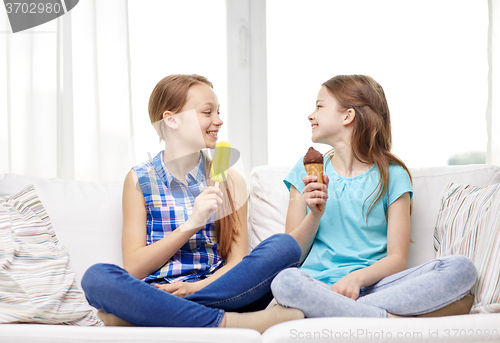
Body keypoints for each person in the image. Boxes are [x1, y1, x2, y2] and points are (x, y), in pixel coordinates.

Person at [81, 74, 303, 332]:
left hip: (219, 290)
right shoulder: (139, 180)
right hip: (159, 291)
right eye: (207, 112)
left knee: (285, 246)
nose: (218, 121)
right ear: (171, 119)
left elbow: (236, 263)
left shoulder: (230, 180)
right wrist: (192, 224)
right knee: (96, 277)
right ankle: (230, 322)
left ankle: (150, 315)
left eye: (218, 112)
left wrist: (194, 288)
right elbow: (133, 267)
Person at [270, 75, 477, 318]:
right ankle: (382, 318)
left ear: (347, 116)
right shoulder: (305, 169)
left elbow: (397, 258)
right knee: (284, 281)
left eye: (319, 106)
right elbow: (291, 256)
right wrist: (314, 215)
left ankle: (346, 311)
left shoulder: (393, 175)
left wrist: (356, 279)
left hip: (378, 287)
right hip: (320, 285)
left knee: (461, 269)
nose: (311, 115)